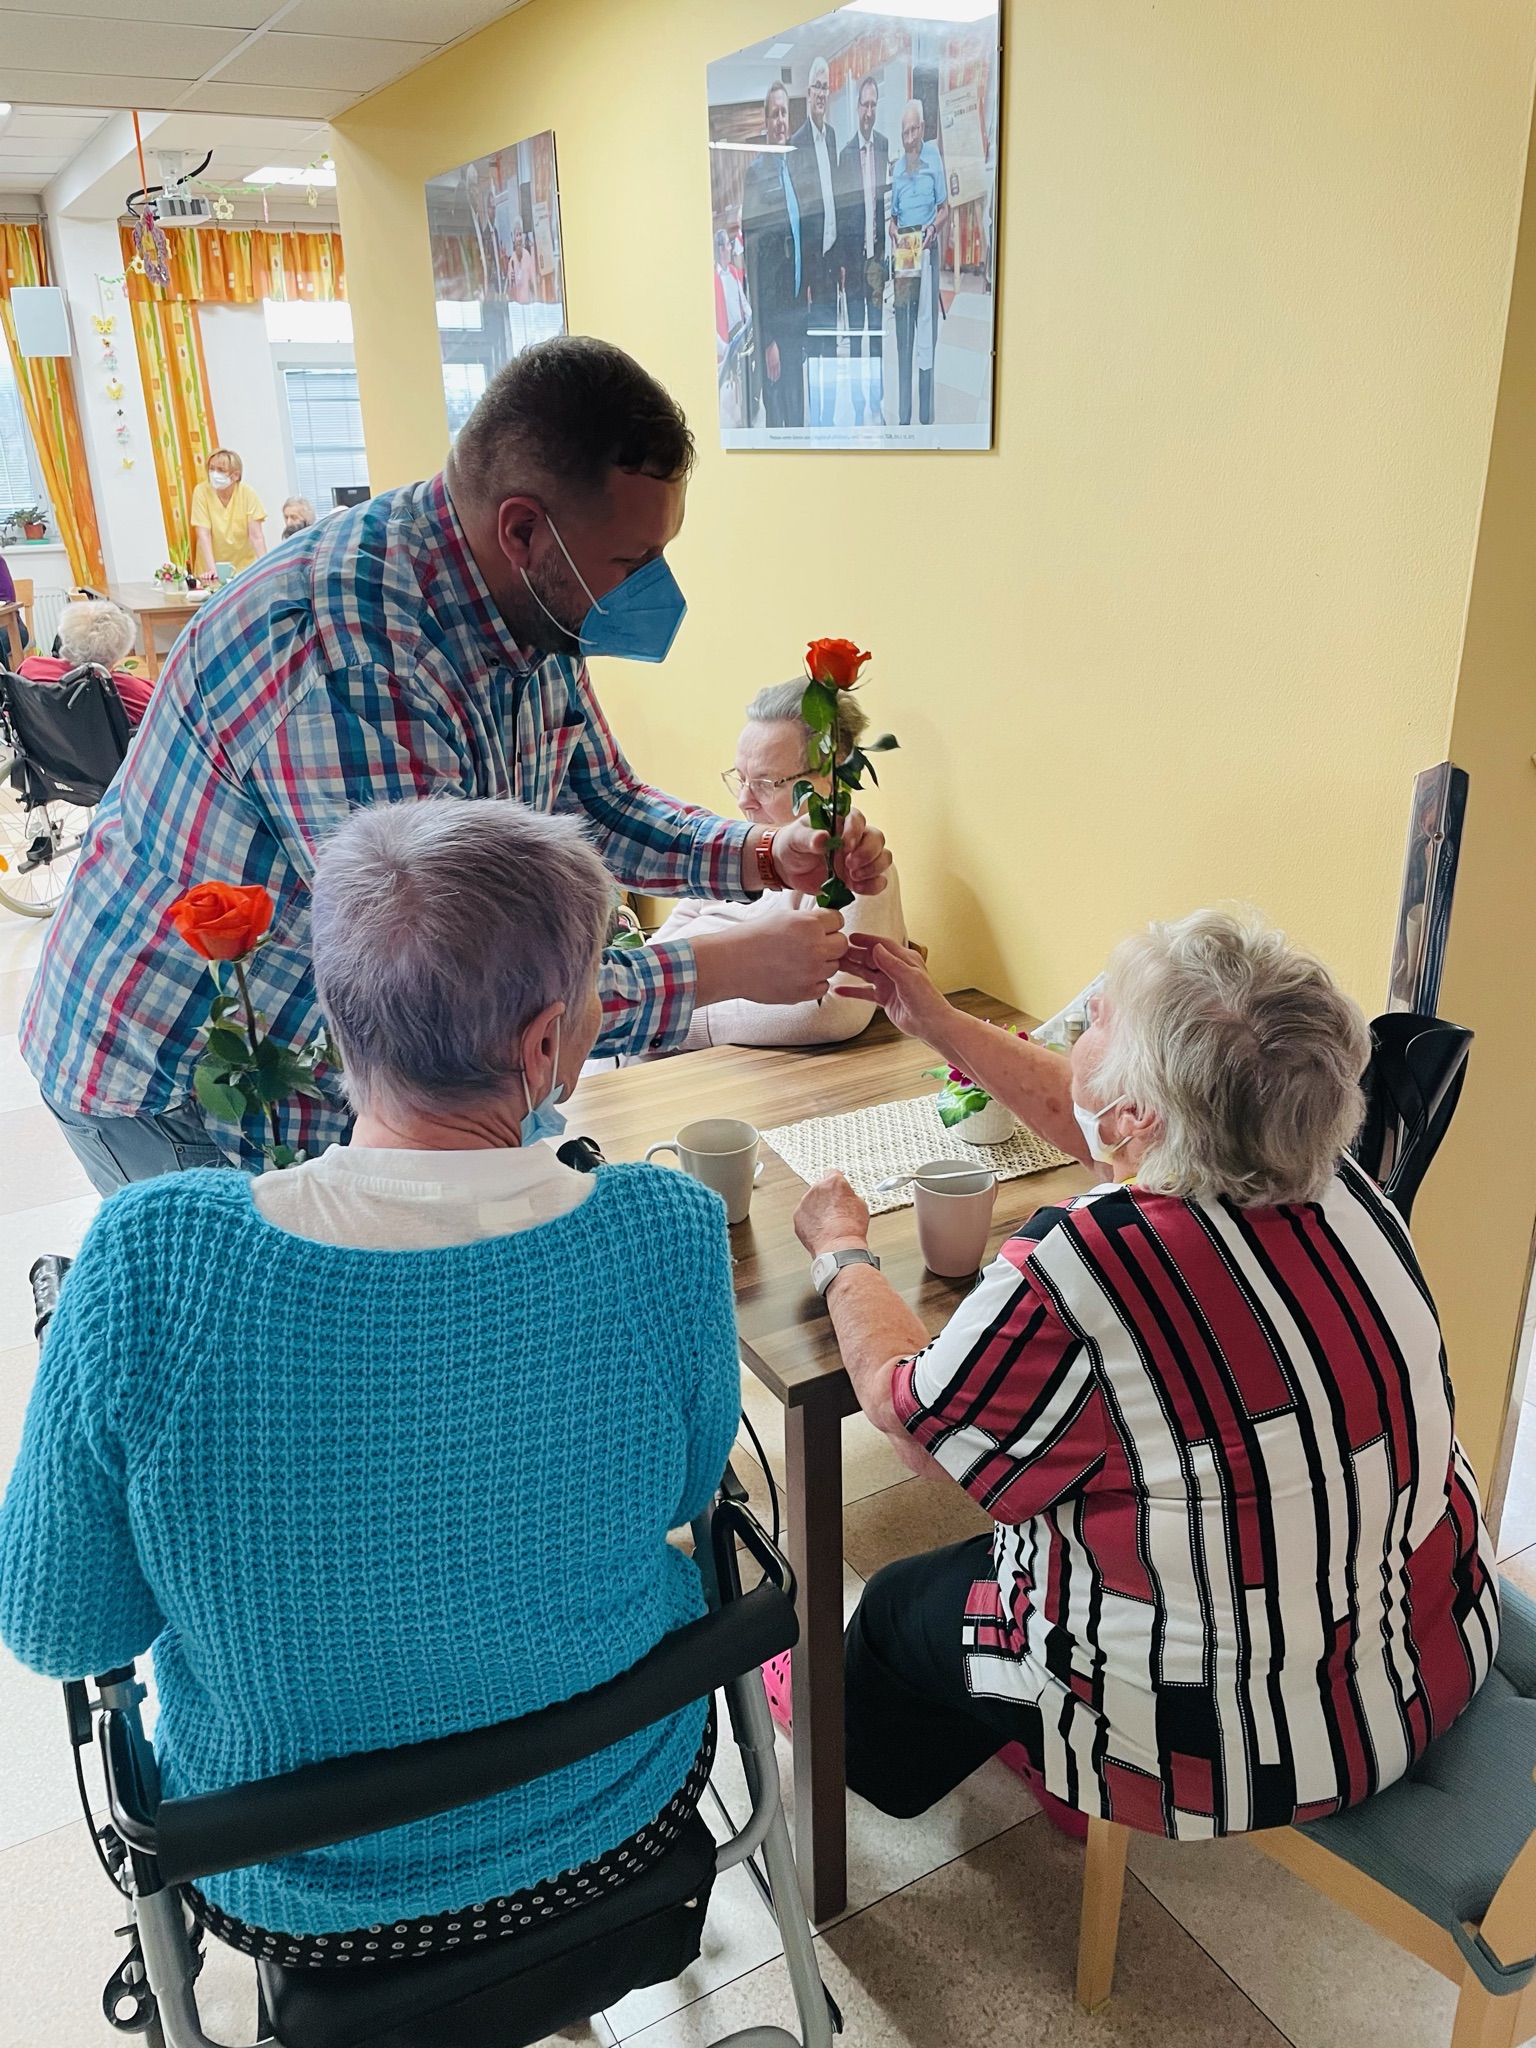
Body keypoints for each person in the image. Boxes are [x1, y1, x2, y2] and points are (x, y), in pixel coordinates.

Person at [0, 798, 741, 1955]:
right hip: (616, 1810)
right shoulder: (665, 1229)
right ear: (544, 1042)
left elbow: (62, 1625)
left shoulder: (154, 1256)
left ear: (339, 1014)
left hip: (303, 1887)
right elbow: (686, 1493)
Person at [22, 335, 889, 1190]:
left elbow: (598, 800)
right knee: (281, 1282)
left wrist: (761, 855)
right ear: (523, 529)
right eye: (632, 562)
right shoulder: (353, 660)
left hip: (348, 1062)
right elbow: (460, 987)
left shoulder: (539, 603)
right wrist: (724, 968)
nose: (649, 588)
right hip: (180, 1081)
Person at [795, 909, 1499, 1837]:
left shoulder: (1082, 1265)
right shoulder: (1345, 1183)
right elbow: (1111, 1127)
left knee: (896, 1608)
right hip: (1431, 1650)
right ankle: (1025, 1725)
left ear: (1138, 1111)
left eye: (1097, 1018)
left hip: (1245, 1751)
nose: (1080, 1022)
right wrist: (936, 1019)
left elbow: (913, 1425)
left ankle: (991, 1753)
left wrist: (841, 1251)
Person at [650, 680, 906, 1049]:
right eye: (740, 779)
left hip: (690, 1068)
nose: (744, 801)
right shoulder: (732, 858)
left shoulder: (851, 868)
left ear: (830, 777)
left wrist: (658, 1026)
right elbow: (656, 955)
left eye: (765, 783)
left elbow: (835, 1010)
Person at [742, 82, 807, 429]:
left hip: (795, 319)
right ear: (766, 121)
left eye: (784, 113)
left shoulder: (793, 167)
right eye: (775, 114)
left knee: (797, 416)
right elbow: (754, 268)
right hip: (774, 329)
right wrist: (767, 340)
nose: (781, 121)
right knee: (778, 423)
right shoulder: (756, 174)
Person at [887, 100, 949, 428]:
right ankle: (904, 418)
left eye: (914, 131)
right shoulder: (898, 168)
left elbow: (944, 209)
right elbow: (893, 218)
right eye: (904, 133)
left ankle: (925, 416)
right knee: (904, 338)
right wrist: (892, 230)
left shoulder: (934, 159)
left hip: (927, 250)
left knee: (926, 334)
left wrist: (933, 228)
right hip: (904, 256)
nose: (909, 139)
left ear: (922, 129)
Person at [790, 57, 841, 429]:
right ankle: (818, 423)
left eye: (826, 87)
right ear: (808, 94)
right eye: (816, 87)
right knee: (815, 347)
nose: (821, 93)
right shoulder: (797, 144)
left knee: (832, 344)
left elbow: (835, 198)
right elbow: (801, 217)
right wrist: (805, 278)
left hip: (831, 259)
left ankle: (830, 419)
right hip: (812, 268)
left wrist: (839, 259)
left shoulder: (833, 137)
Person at [838, 76, 890, 429]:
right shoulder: (846, 155)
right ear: (857, 108)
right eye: (864, 105)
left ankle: (877, 402)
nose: (869, 111)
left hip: (876, 263)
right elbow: (844, 216)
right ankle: (858, 408)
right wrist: (843, 265)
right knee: (856, 339)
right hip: (855, 264)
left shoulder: (884, 145)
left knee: (877, 338)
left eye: (874, 105)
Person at [19, 597, 151, 727]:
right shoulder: (137, 692)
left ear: (64, 636)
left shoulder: (31, 669)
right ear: (122, 650)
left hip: (46, 739)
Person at [190, 447, 267, 579]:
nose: (214, 474)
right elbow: (203, 534)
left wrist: (266, 567)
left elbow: (256, 536)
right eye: (211, 469)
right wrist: (212, 569)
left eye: (221, 470)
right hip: (210, 568)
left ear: (235, 475)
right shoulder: (201, 492)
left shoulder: (247, 494)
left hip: (242, 567)